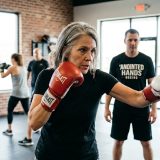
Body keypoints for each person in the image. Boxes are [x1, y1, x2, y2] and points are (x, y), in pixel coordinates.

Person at [28, 22, 160, 160]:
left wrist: (157, 88)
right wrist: (54, 92)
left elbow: (137, 98)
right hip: (48, 155)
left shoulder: (97, 78)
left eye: (92, 51)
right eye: (83, 50)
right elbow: (34, 123)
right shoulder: (47, 76)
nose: (89, 57)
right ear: (65, 50)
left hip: (86, 155)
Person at [104, 29, 157, 160]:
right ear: (124, 41)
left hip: (142, 107)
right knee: (118, 141)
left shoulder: (147, 60)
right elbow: (110, 87)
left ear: (139, 41)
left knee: (145, 142)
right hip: (121, 107)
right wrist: (106, 108)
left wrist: (154, 110)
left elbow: (154, 88)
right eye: (130, 39)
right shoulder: (116, 60)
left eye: (135, 40)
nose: (133, 43)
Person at [18, 48, 49, 146]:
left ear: (40, 53)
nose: (35, 54)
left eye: (37, 52)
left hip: (44, 89)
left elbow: (48, 74)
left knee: (34, 112)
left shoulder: (45, 62)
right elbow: (28, 72)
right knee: (34, 110)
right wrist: (26, 82)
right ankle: (35, 130)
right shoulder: (31, 63)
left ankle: (29, 138)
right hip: (34, 88)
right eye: (34, 52)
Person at [0, 53, 30, 136]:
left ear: (14, 59)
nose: (10, 60)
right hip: (25, 93)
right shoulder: (24, 67)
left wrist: (1, 68)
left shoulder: (13, 67)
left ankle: (9, 130)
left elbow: (2, 76)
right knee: (28, 112)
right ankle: (36, 127)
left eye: (11, 59)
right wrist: (6, 66)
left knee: (10, 110)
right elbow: (11, 69)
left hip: (16, 93)